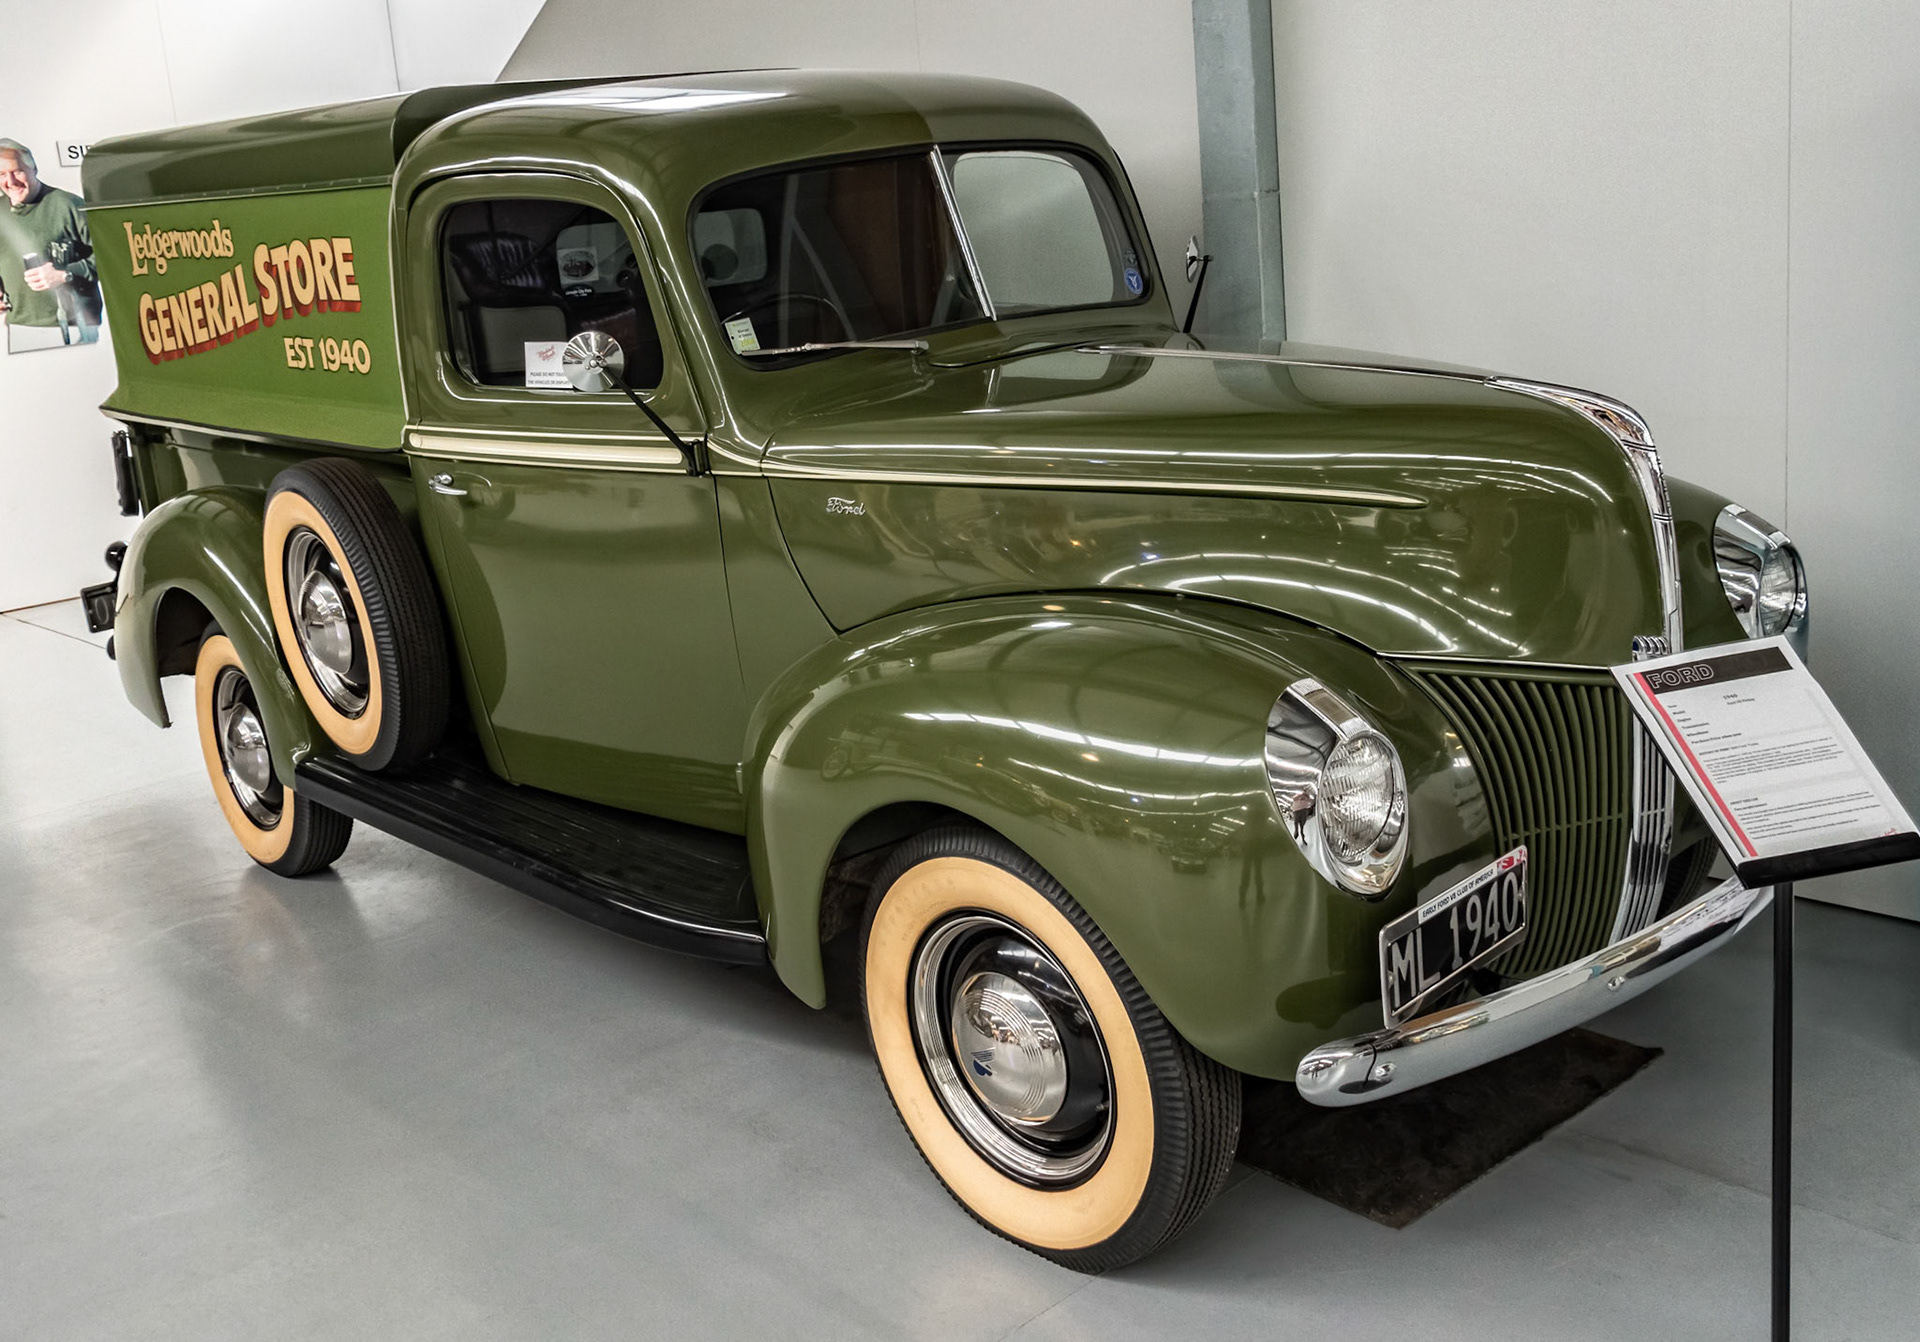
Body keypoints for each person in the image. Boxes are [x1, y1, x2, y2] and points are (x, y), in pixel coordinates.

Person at [0, 139, 101, 345]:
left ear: (33, 168)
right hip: (19, 328)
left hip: (73, 328)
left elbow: (113, 255)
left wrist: (65, 274)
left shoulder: (68, 206)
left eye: (17, 171)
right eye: (1, 174)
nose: (10, 181)